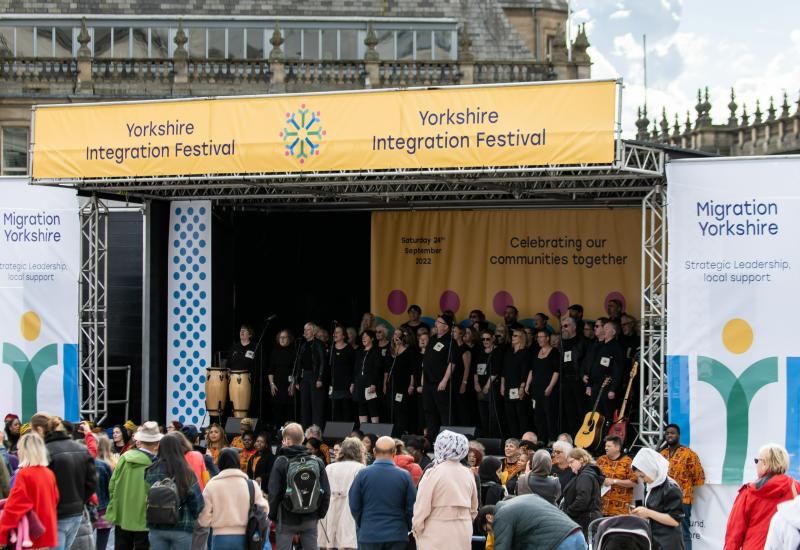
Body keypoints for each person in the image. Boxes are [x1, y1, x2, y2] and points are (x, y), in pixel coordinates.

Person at [30, 413, 97, 550]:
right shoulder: (81, 449)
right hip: (76, 513)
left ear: (39, 430)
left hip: (55, 515)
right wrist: (80, 500)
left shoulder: (44, 452)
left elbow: (38, 487)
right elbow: (92, 482)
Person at [724, 443, 800, 550]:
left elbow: (734, 536)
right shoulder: (796, 488)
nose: (756, 464)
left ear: (765, 464)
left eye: (757, 461)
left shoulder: (748, 492)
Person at [268, 422, 331, 550]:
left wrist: (273, 516)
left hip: (286, 517)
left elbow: (273, 492)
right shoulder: (316, 461)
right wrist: (320, 513)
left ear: (286, 440)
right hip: (311, 516)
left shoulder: (281, 461)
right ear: (303, 439)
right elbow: (326, 491)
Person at [412, 431, 478, 550]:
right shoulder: (468, 473)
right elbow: (474, 509)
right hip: (463, 529)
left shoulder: (433, 472)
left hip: (435, 530)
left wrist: (417, 528)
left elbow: (422, 506)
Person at [348, 435, 415, 550]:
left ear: (374, 452)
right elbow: (411, 508)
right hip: (397, 535)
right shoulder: (404, 476)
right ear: (394, 452)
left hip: (369, 534)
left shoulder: (362, 475)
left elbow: (354, 505)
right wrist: (406, 527)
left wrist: (363, 523)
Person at [106, 421, 162, 549]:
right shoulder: (158, 463)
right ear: (156, 443)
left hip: (122, 515)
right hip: (147, 518)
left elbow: (112, 485)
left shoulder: (124, 458)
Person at [199, 447, 269, 549]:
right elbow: (264, 509)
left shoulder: (211, 485)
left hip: (219, 537)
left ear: (219, 463)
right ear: (238, 462)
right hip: (246, 537)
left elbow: (204, 517)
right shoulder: (251, 485)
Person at [144, 432, 204, 549]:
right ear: (179, 448)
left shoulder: (150, 470)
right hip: (182, 526)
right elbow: (197, 502)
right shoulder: (187, 472)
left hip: (156, 525)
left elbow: (145, 496)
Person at [0, 434, 59, 550]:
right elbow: (55, 499)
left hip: (29, 536)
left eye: (19, 449)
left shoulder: (24, 474)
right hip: (46, 533)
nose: (18, 452)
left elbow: (14, 508)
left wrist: (2, 536)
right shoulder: (48, 473)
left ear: (25, 451)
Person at [660, 423, 705, 550]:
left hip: (682, 500)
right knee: (666, 533)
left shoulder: (689, 454)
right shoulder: (662, 454)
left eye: (672, 433)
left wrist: (684, 485)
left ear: (678, 435)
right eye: (667, 433)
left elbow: (699, 477)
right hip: (663, 499)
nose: (669, 435)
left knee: (683, 533)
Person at [630, 448, 685, 550]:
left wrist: (648, 512)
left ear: (651, 469)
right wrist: (640, 511)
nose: (642, 480)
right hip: (655, 540)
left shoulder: (671, 488)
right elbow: (653, 509)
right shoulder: (651, 485)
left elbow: (675, 520)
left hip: (668, 543)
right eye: (639, 477)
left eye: (642, 476)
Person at [318, 437, 366, 550]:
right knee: (348, 543)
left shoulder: (329, 468)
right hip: (350, 510)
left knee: (331, 543)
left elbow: (322, 491)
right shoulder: (361, 469)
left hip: (330, 509)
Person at [493, 494, 586, 550]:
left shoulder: (502, 513)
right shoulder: (530, 498)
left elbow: (501, 546)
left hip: (558, 543)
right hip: (577, 534)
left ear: (489, 518)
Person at [421, 313, 456, 438]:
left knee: (443, 412)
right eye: (436, 321)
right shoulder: (433, 338)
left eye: (439, 322)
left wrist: (445, 380)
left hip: (439, 382)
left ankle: (447, 439)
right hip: (428, 382)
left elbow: (452, 363)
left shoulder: (451, 341)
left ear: (446, 327)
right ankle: (431, 439)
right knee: (429, 411)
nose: (436, 324)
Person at [561, 448, 604, 538]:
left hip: (586, 521)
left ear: (581, 459)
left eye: (571, 462)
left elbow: (582, 500)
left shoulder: (585, 475)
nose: (569, 465)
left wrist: (568, 512)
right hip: (588, 519)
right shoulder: (587, 473)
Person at [385, 326, 418, 437]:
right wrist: (385, 384)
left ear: (404, 337)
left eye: (399, 335)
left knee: (401, 411)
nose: (396, 337)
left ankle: (400, 433)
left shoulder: (410, 352)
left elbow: (413, 371)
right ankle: (392, 433)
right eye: (395, 334)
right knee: (392, 409)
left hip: (403, 385)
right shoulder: (390, 352)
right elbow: (387, 370)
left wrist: (411, 385)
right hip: (391, 385)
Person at [529, 329, 560, 444]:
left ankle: (552, 439)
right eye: (538, 337)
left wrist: (550, 386)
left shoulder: (554, 352)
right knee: (538, 415)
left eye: (542, 337)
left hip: (548, 389)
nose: (539, 339)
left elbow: (556, 371)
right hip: (536, 388)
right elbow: (532, 370)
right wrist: (527, 384)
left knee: (550, 414)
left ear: (547, 338)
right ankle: (541, 439)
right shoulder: (536, 352)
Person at [560, 316, 588, 436]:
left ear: (574, 327)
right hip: (565, 381)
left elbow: (585, 361)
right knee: (569, 411)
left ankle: (583, 437)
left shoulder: (581, 341)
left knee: (581, 410)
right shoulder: (562, 342)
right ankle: (572, 437)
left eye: (566, 326)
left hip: (578, 380)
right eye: (562, 326)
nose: (563, 329)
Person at [596, 435, 638, 516]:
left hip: (619, 509)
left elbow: (634, 482)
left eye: (609, 446)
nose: (605, 448)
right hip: (600, 507)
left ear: (617, 448)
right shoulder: (601, 460)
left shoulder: (628, 462)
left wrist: (615, 481)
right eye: (605, 446)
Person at [297, 322, 328, 430]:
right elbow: (299, 363)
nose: (305, 331)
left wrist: (320, 378)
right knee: (304, 405)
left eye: (308, 329)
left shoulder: (319, 344)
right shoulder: (303, 345)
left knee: (316, 406)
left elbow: (323, 362)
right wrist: (297, 380)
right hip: (304, 377)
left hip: (315, 376)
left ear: (313, 331)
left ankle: (317, 432)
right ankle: (304, 431)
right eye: (304, 329)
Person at [500, 328, 530, 439]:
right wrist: (502, 385)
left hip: (519, 387)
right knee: (510, 416)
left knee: (521, 415)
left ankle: (524, 440)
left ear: (521, 338)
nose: (513, 337)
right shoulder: (509, 353)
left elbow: (525, 371)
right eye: (513, 335)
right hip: (508, 387)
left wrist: (522, 387)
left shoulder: (525, 353)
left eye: (516, 335)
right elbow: (504, 370)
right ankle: (514, 440)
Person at [474, 328, 502, 438]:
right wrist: (476, 383)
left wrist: (487, 385)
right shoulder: (480, 352)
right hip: (480, 388)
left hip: (491, 387)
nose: (485, 341)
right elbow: (475, 369)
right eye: (483, 339)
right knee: (483, 415)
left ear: (493, 339)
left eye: (487, 339)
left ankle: (494, 437)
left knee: (493, 416)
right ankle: (485, 436)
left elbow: (496, 371)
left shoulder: (497, 352)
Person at [353, 330, 383, 425]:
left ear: (372, 339)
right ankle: (363, 434)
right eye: (362, 337)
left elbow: (377, 369)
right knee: (361, 408)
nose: (363, 338)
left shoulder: (376, 351)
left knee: (372, 408)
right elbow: (356, 369)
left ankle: (375, 434)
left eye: (366, 336)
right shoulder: (360, 352)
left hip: (370, 384)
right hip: (359, 384)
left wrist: (373, 383)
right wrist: (353, 383)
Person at [269, 330, 295, 430]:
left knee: (289, 410)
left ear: (289, 339)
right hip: (277, 385)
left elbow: (295, 369)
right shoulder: (274, 352)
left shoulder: (294, 352)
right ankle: (277, 432)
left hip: (289, 384)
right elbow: (270, 370)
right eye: (280, 337)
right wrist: (271, 384)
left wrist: (292, 384)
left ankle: (289, 431)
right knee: (277, 409)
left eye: (285, 337)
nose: (282, 339)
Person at [94, 434, 116, 550]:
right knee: (102, 543)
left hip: (91, 508)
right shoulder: (112, 464)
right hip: (106, 508)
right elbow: (112, 487)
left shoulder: (91, 463)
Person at [329, 325, 355, 422]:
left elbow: (353, 368)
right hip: (334, 385)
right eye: (334, 332)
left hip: (346, 385)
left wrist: (352, 383)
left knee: (346, 412)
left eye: (338, 332)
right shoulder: (331, 349)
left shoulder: (349, 349)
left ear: (344, 336)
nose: (335, 334)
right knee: (335, 412)